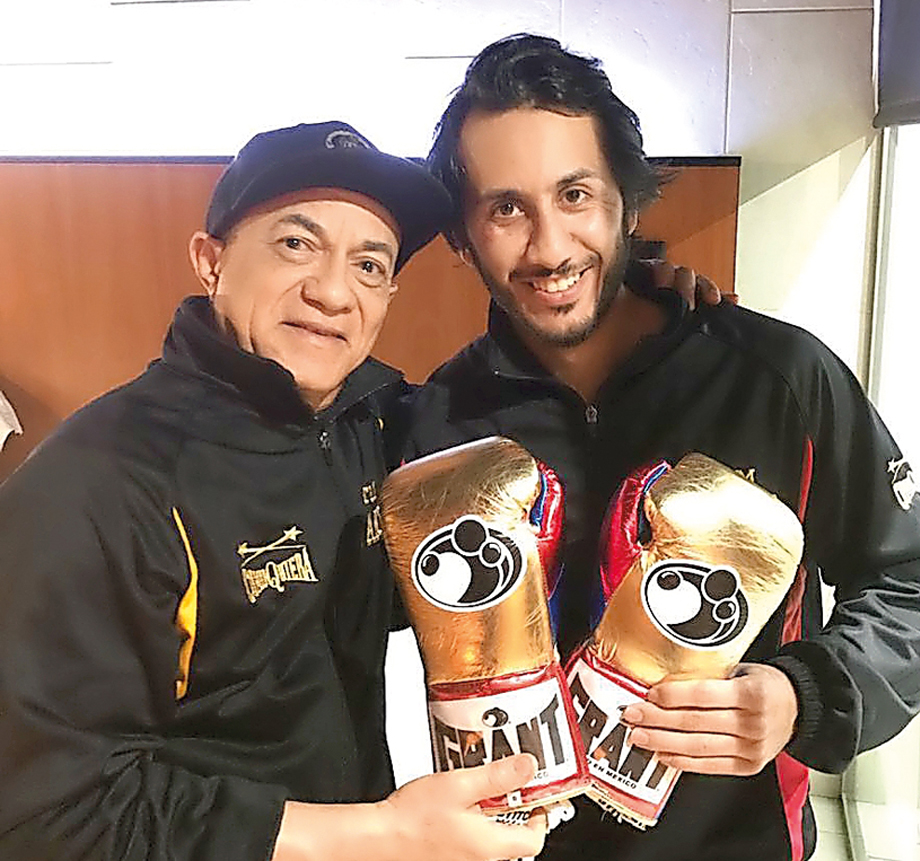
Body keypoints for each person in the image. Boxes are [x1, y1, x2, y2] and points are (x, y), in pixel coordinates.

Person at [397, 34, 920, 861]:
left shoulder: (778, 378)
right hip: (510, 848)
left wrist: (797, 692)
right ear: (463, 234)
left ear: (628, 204)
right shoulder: (436, 425)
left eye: (576, 195)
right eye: (505, 208)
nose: (551, 246)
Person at [0, 119, 548, 861]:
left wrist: (657, 306)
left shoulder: (369, 420)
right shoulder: (95, 486)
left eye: (368, 263)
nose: (330, 292)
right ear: (211, 259)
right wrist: (381, 834)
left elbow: (539, 395)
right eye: (296, 244)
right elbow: (41, 815)